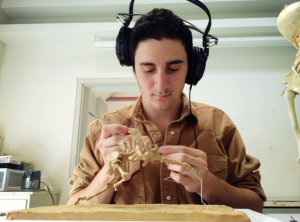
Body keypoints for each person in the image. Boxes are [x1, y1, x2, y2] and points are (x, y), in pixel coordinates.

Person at [67, 8, 266, 212]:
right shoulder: (101, 130)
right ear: (134, 70)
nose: (161, 85)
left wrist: (206, 183)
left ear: (191, 69)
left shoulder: (219, 125)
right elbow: (72, 211)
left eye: (173, 69)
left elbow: (255, 206)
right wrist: (110, 171)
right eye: (148, 70)